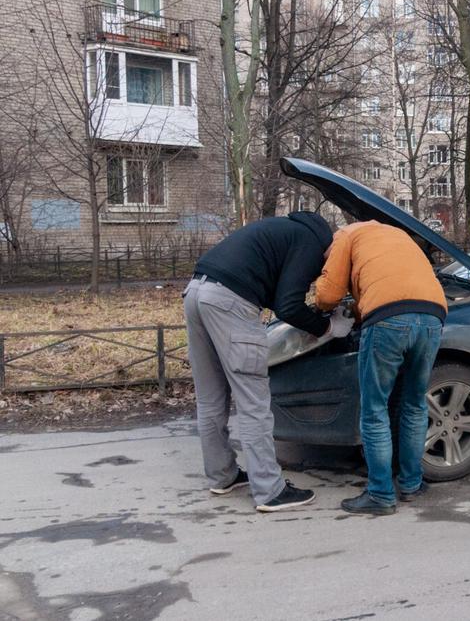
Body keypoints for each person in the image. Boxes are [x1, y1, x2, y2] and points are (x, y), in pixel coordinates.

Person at [184, 211, 353, 512]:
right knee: (254, 404)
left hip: (196, 291)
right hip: (230, 303)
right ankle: (270, 491)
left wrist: (313, 316)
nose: (324, 271)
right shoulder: (313, 242)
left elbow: (278, 295)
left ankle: (223, 476)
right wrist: (328, 328)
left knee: (210, 399)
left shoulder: (283, 231)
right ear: (334, 247)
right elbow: (289, 305)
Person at [314, 220, 446, 515]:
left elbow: (327, 295)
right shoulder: (396, 235)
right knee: (414, 404)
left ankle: (381, 494)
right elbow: (390, 283)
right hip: (433, 315)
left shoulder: (345, 236)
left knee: (375, 411)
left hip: (388, 320)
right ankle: (412, 484)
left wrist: (326, 302)